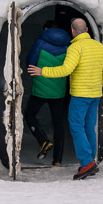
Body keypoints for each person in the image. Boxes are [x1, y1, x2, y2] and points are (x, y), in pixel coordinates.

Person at [27, 18, 103, 180]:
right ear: (86, 29)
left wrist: (42, 71)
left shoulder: (75, 47)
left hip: (80, 95)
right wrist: (96, 85)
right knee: (88, 127)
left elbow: (66, 70)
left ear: (72, 31)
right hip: (95, 95)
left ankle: (86, 163)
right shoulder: (99, 46)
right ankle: (91, 161)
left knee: (76, 127)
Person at [24, 20, 70, 166]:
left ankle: (43, 140)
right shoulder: (68, 46)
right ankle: (57, 160)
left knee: (29, 115)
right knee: (58, 123)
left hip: (40, 89)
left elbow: (30, 63)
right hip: (59, 90)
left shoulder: (40, 43)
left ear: (46, 29)